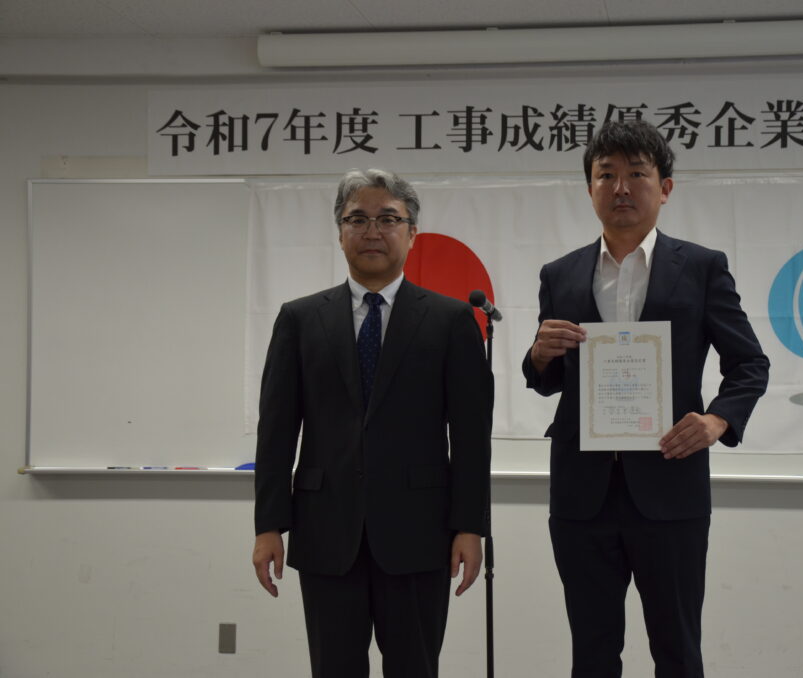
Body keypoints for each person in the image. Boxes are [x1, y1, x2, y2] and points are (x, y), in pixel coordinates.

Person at [523, 120, 769, 677]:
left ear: (665, 187)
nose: (621, 188)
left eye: (637, 174)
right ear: (589, 188)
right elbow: (548, 378)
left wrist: (716, 421)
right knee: (592, 652)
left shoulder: (702, 267)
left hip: (670, 486)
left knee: (677, 650)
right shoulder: (560, 274)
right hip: (582, 493)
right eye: (605, 175)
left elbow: (749, 364)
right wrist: (538, 355)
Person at [252, 168, 492, 678]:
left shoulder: (450, 321)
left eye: (388, 219)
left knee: (415, 669)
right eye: (357, 219)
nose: (372, 231)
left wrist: (470, 527)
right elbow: (275, 431)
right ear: (340, 232)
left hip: (419, 533)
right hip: (325, 532)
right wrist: (268, 525)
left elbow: (471, 438)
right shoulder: (299, 319)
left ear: (412, 232)